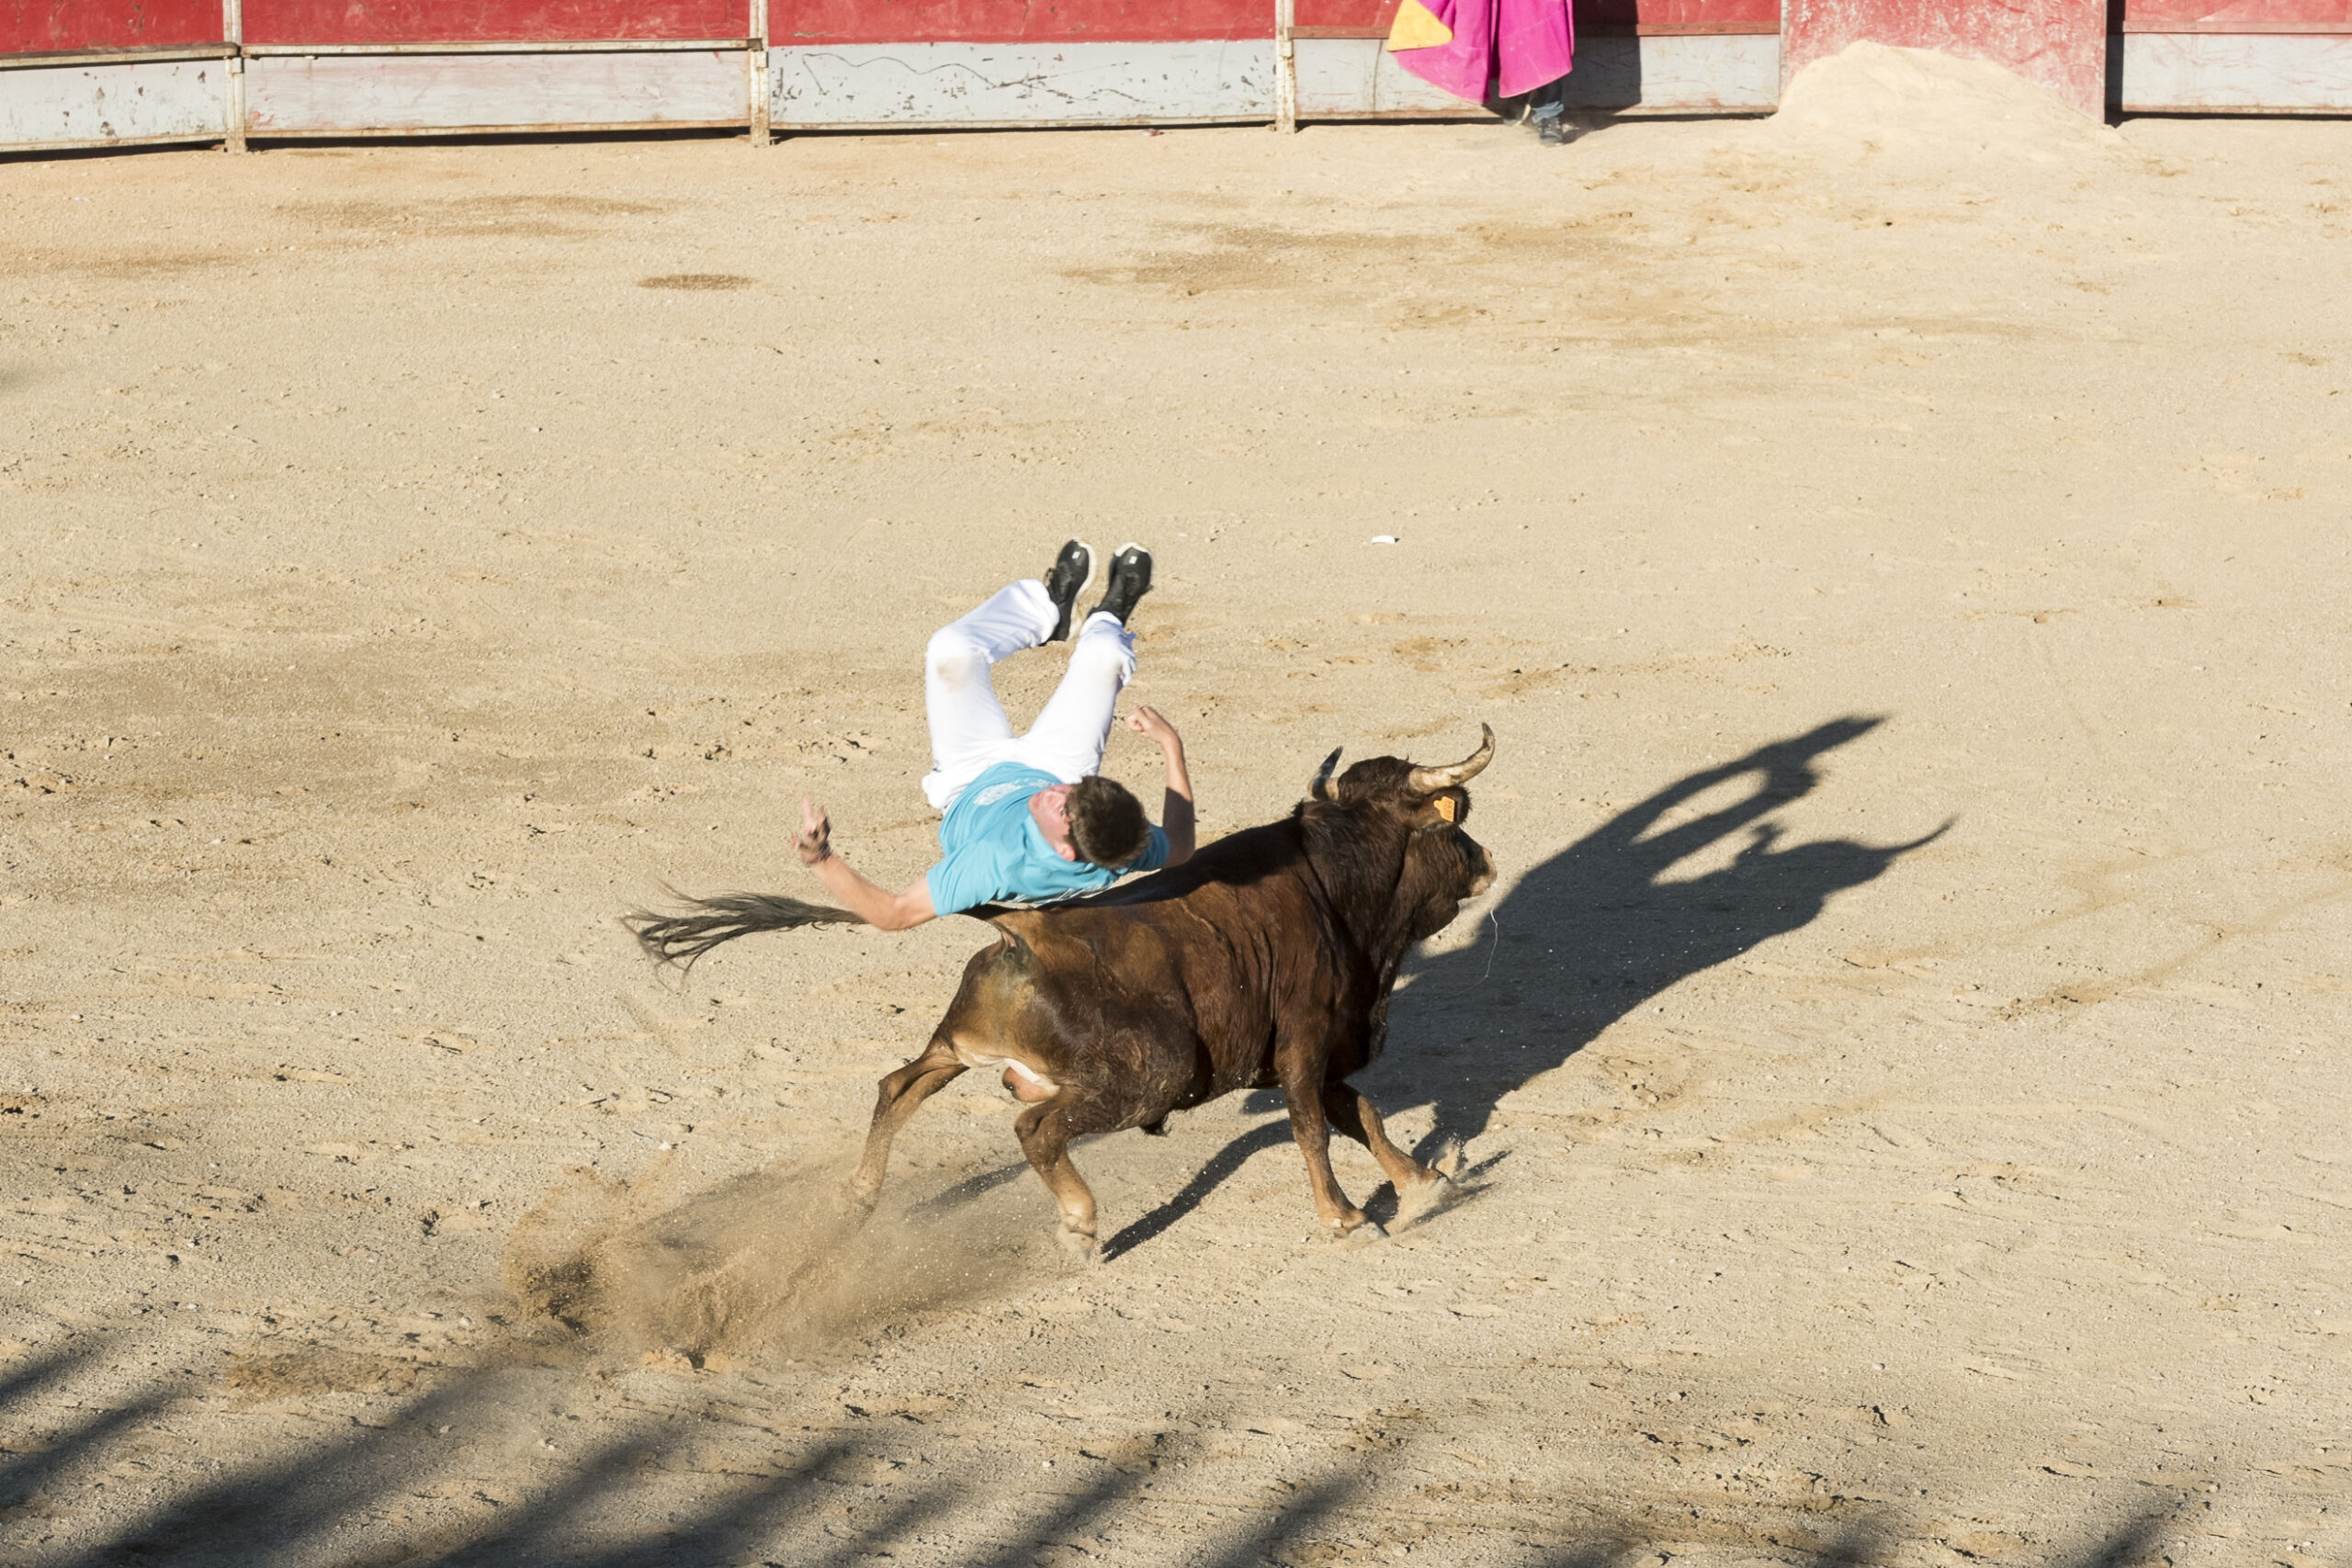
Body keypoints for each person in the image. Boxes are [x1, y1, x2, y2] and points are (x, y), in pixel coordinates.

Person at [793, 541, 1194, 931]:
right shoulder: (1115, 835)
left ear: (1064, 851)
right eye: (1075, 792)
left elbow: (893, 914)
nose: (1056, 794)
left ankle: (1042, 608)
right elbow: (1180, 846)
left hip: (969, 780)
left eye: (1061, 807)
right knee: (1105, 655)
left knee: (951, 649)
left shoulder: (995, 862)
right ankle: (1101, 617)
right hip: (1054, 763)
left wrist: (820, 857)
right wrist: (1170, 745)